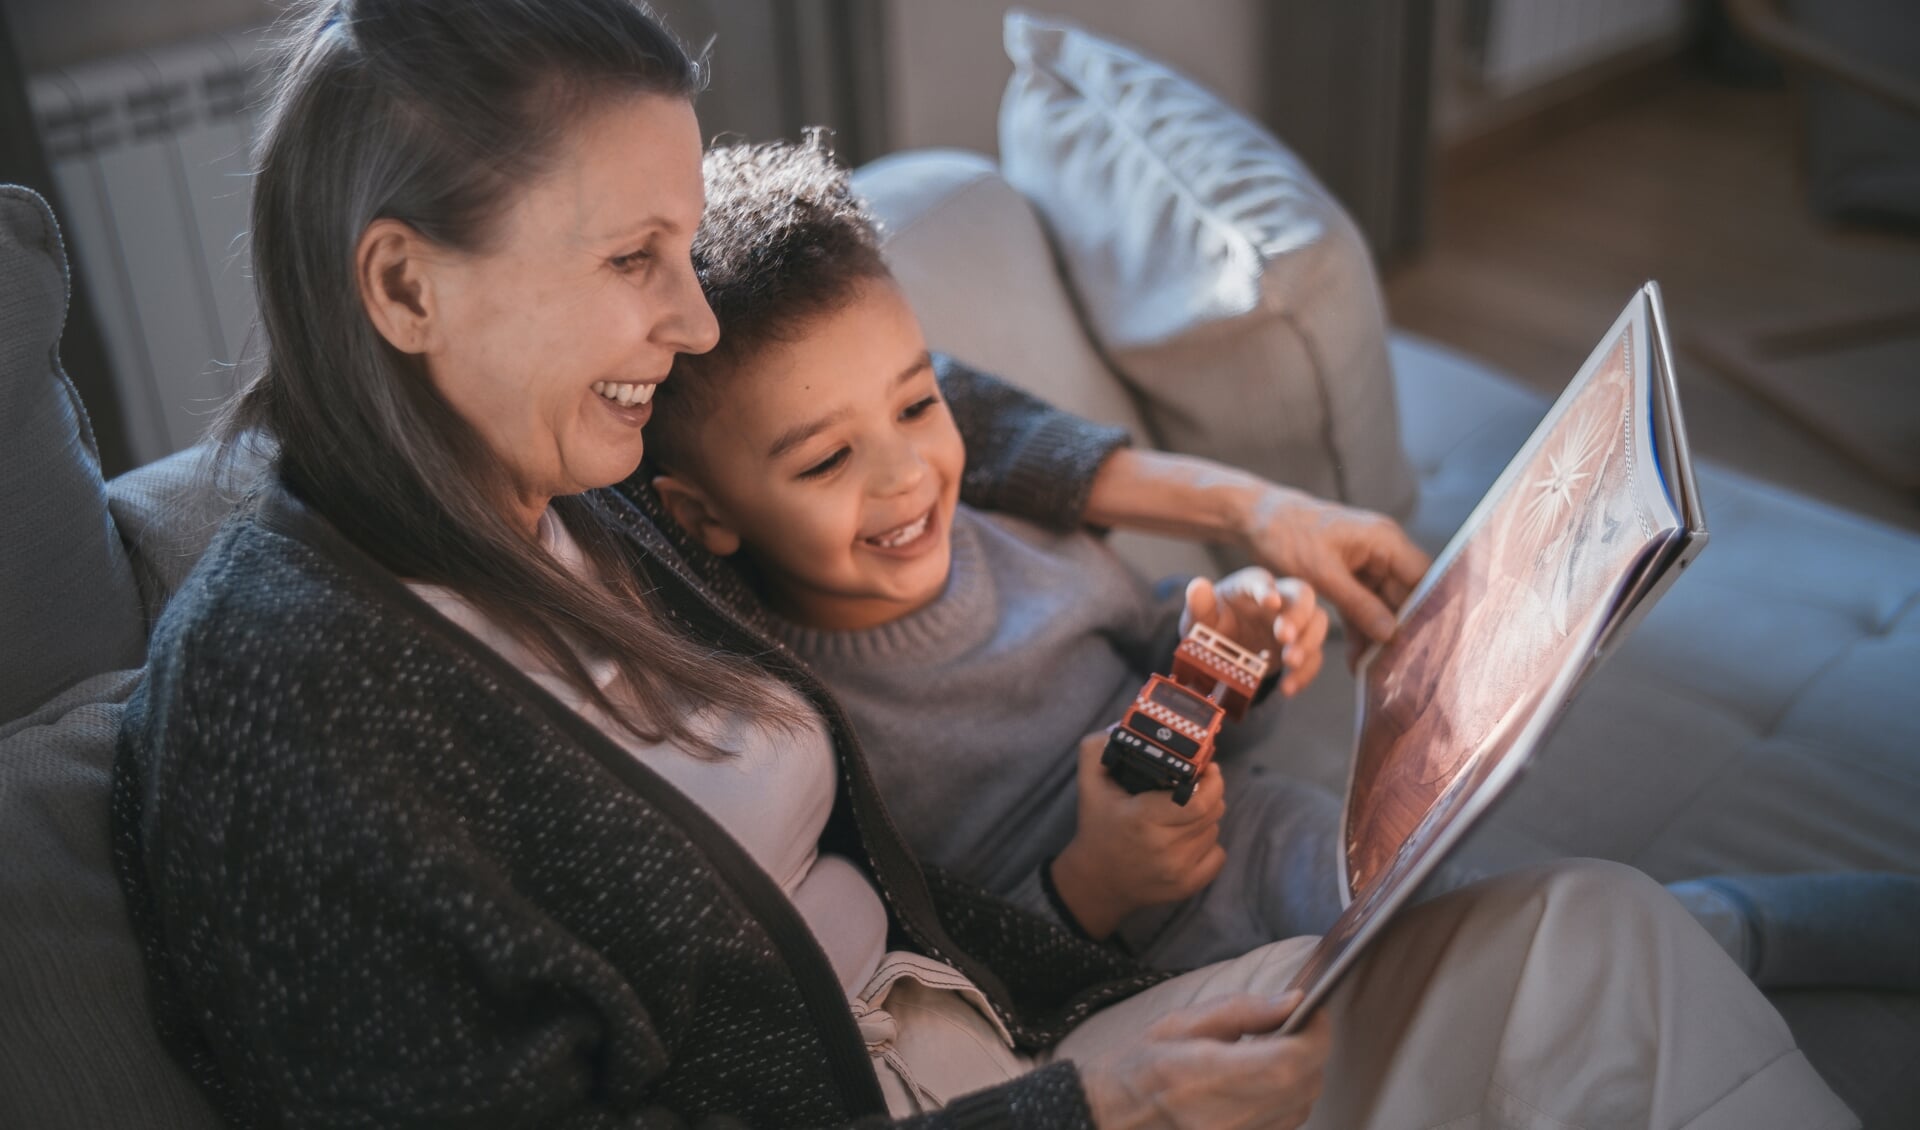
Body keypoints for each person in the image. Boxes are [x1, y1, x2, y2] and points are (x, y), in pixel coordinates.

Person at [112, 1, 1859, 1127]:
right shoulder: (287, 700)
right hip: (1030, 1102)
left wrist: (1244, 515)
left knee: (1596, 948)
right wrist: (1077, 1109)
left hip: (1040, 1039)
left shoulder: (587, 499)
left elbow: (903, 405)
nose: (694, 315)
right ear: (407, 288)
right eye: (637, 258)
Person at [648, 136, 1920, 996]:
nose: (904, 478)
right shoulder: (805, 727)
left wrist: (1228, 645)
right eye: (823, 464)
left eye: (920, 407)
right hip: (1128, 974)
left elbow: (1146, 645)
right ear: (705, 515)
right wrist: (1086, 885)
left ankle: (1723, 925)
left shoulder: (1010, 529)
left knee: (1513, 935)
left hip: (1259, 836)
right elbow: (942, 976)